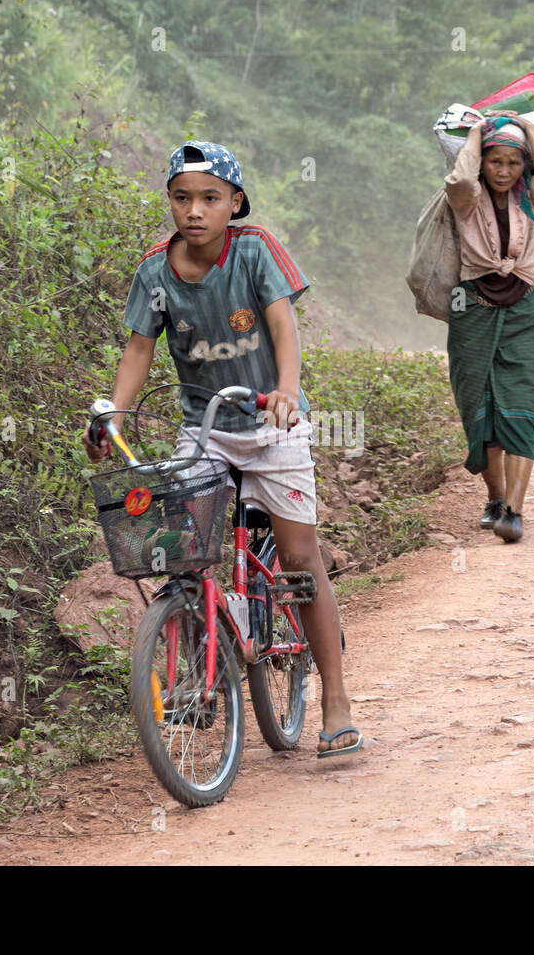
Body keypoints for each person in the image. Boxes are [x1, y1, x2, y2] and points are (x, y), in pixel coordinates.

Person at [82, 140, 360, 758]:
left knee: (298, 555)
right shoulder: (156, 272)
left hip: (271, 427)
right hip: (205, 428)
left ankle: (336, 698)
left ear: (234, 202)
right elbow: (138, 351)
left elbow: (282, 323)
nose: (195, 211)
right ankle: (194, 668)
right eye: (182, 198)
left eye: (210, 198)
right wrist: (112, 414)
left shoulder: (255, 250)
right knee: (183, 549)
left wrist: (286, 392)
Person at [443, 112, 534, 542]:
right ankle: (494, 498)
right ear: (482, 163)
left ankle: (514, 511)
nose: (504, 170)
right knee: (481, 410)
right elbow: (458, 181)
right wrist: (477, 132)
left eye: (514, 162)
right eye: (496, 161)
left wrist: (527, 128)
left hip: (526, 314)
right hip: (472, 311)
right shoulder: (466, 200)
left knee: (522, 407)